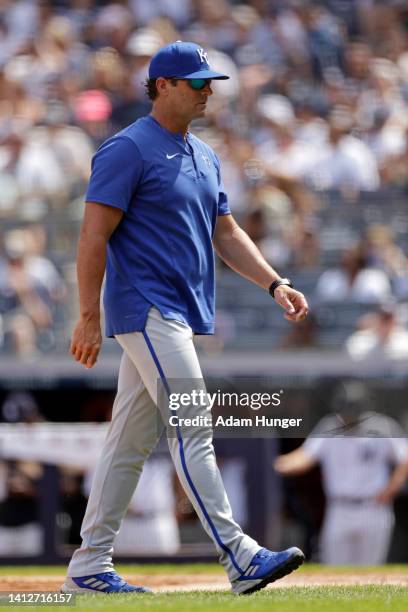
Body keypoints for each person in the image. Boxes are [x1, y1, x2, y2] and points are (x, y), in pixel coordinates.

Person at [61, 41, 309, 596]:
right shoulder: (126, 149)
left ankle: (89, 564)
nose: (208, 91)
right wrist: (86, 316)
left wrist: (275, 282)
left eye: (210, 82)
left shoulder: (204, 153)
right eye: (197, 82)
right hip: (145, 309)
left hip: (173, 312)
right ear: (164, 85)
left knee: (127, 442)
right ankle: (239, 555)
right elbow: (92, 236)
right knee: (193, 426)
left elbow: (226, 232)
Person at [274, 381, 408, 565]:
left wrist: (391, 489)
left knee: (370, 571)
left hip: (373, 507)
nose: (349, 416)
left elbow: (404, 459)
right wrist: (272, 465)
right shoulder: (330, 426)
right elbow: (304, 458)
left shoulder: (382, 426)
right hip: (339, 507)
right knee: (334, 568)